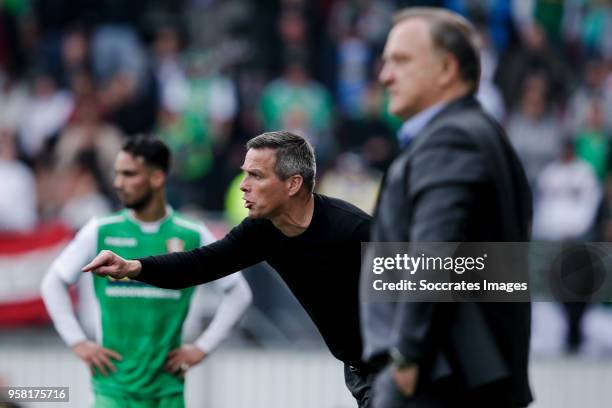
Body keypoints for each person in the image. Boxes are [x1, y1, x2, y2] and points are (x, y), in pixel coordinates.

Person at [83, 131, 374, 407]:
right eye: (245, 173)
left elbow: (418, 288)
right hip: (360, 368)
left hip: (397, 364)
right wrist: (134, 267)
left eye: (256, 175)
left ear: (293, 184)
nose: (243, 185)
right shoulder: (262, 230)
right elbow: (199, 265)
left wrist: (405, 362)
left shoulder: (355, 229)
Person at [361, 8, 533, 407]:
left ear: (446, 69)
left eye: (401, 61)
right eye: (385, 61)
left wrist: (405, 356)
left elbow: (434, 252)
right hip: (466, 379)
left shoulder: (451, 138)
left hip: (438, 381)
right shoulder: (481, 132)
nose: (385, 75)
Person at [41, 136, 252, 408]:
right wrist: (77, 341)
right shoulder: (101, 231)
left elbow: (239, 292)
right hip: (113, 390)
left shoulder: (190, 233)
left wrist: (202, 347)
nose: (118, 183)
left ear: (157, 178)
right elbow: (53, 283)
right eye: (117, 174)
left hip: (167, 391)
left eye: (129, 174)